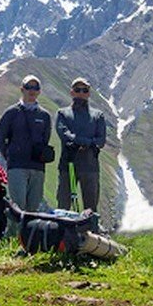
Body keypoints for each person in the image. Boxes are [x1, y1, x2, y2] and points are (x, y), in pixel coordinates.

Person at [0, 74, 53, 236]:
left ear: (39, 91)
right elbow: (0, 139)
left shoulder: (45, 116)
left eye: (35, 88)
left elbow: (45, 138)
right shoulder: (11, 113)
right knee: (18, 205)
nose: (32, 91)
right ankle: (11, 239)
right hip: (17, 167)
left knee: (33, 207)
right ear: (22, 89)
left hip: (37, 167)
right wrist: (11, 157)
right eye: (29, 87)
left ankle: (28, 240)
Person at [56, 77, 106, 212]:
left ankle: (91, 231)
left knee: (91, 207)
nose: (81, 93)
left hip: (90, 167)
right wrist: (88, 143)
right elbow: (64, 134)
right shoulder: (63, 113)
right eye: (78, 90)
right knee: (63, 205)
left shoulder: (98, 115)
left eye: (85, 90)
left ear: (89, 93)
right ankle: (62, 232)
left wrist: (78, 142)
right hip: (68, 165)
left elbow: (101, 140)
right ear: (72, 92)